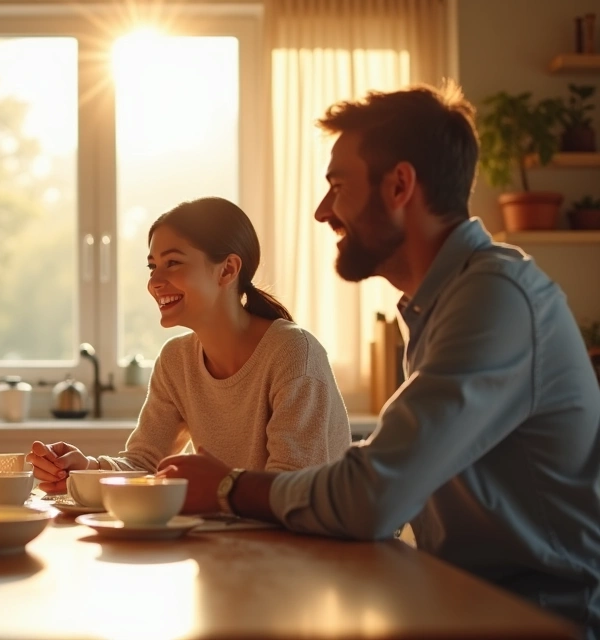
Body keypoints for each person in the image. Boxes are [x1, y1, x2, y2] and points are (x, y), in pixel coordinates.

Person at [156, 84, 600, 637]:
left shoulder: (496, 299)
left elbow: (374, 495)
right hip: (458, 604)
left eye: (337, 187)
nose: (323, 212)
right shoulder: (442, 306)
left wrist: (227, 487)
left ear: (399, 186)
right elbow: (381, 469)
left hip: (533, 620)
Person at [28, 197, 352, 494]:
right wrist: (85, 470)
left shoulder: (293, 353)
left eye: (173, 263)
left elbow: (291, 490)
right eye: (153, 266)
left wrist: (215, 491)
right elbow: (145, 464)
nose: (155, 281)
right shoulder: (175, 360)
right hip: (231, 544)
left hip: (310, 552)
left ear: (227, 269)